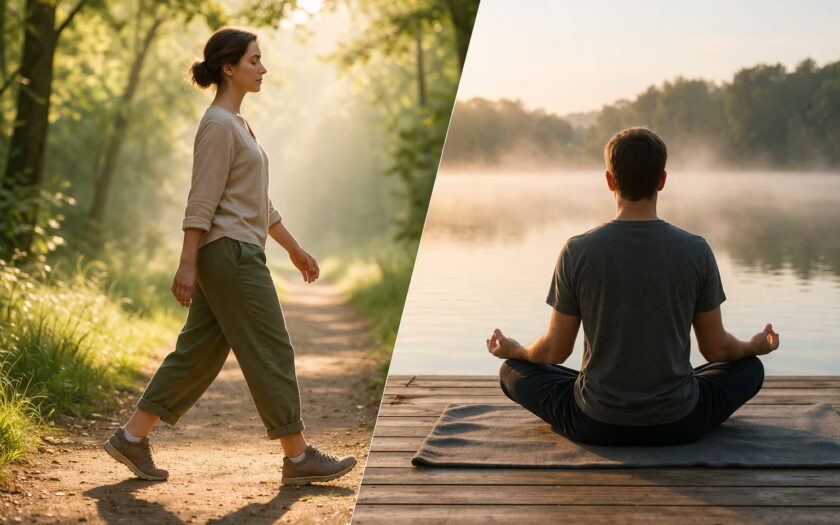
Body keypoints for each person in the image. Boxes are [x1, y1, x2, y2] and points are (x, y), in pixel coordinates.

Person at [103, 27, 356, 484]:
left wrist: (294, 249)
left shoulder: (238, 124)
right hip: (231, 253)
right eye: (254, 60)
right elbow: (202, 198)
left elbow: (259, 203)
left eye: (261, 60)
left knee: (198, 352)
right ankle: (298, 457)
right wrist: (187, 262)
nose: (262, 68)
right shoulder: (218, 124)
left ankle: (132, 437)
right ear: (229, 67)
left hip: (236, 248)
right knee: (271, 347)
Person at [486, 127, 780, 446]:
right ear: (662, 181)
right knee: (750, 369)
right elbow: (716, 349)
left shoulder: (577, 251)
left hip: (594, 422)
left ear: (610, 180)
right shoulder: (696, 250)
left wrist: (515, 350)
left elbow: (555, 351)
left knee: (511, 370)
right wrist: (753, 347)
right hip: (680, 422)